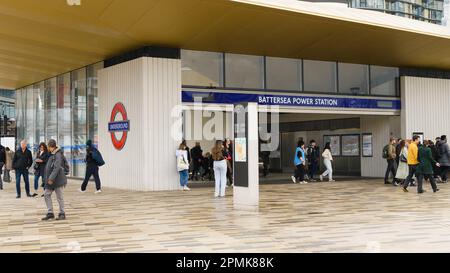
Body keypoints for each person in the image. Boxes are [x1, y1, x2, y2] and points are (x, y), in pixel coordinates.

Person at [41, 139, 67, 221]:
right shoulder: (52, 154)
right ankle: (50, 213)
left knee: (59, 197)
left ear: (50, 146)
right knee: (46, 194)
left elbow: (56, 168)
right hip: (51, 180)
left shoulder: (58, 154)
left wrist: (51, 178)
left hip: (57, 180)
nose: (47, 148)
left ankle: (62, 213)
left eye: (48, 146)